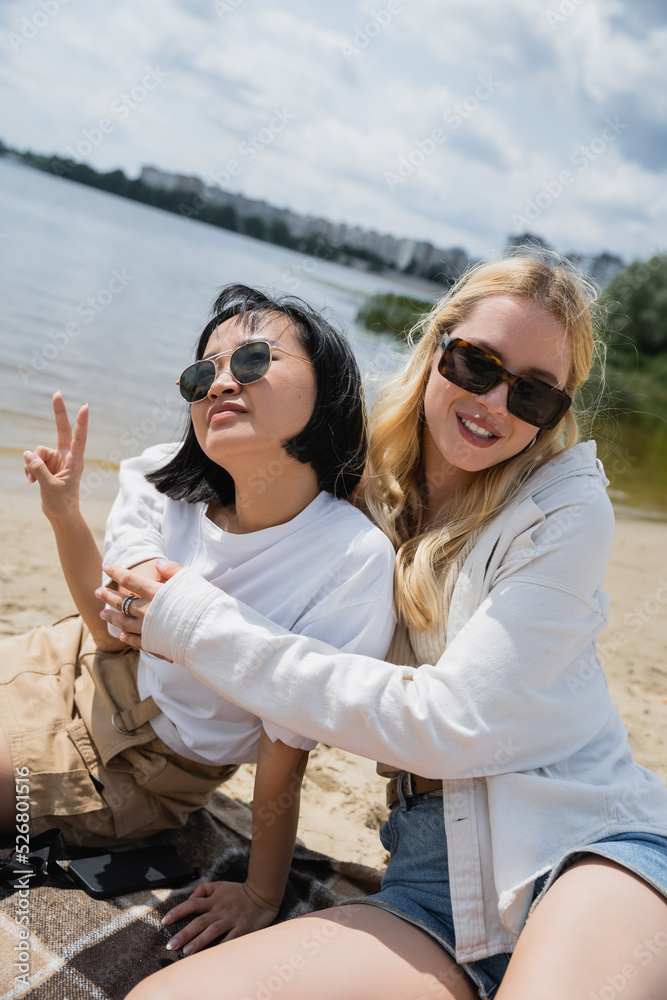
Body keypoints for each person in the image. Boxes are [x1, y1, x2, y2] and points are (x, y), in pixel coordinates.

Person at [102, 255, 667, 1000]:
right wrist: (141, 562)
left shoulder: (562, 511)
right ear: (436, 345)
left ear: (554, 414)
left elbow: (452, 725)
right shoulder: (355, 470)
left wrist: (192, 622)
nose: (494, 401)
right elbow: (162, 473)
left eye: (531, 393)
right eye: (475, 363)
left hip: (584, 846)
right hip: (431, 873)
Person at [0, 285, 396, 947]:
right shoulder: (161, 477)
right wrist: (66, 513)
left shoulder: (350, 560)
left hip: (140, 761)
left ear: (326, 389)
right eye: (202, 372)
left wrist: (262, 891)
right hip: (68, 661)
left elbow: (285, 743)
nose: (218, 384)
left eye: (251, 363)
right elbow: (105, 631)